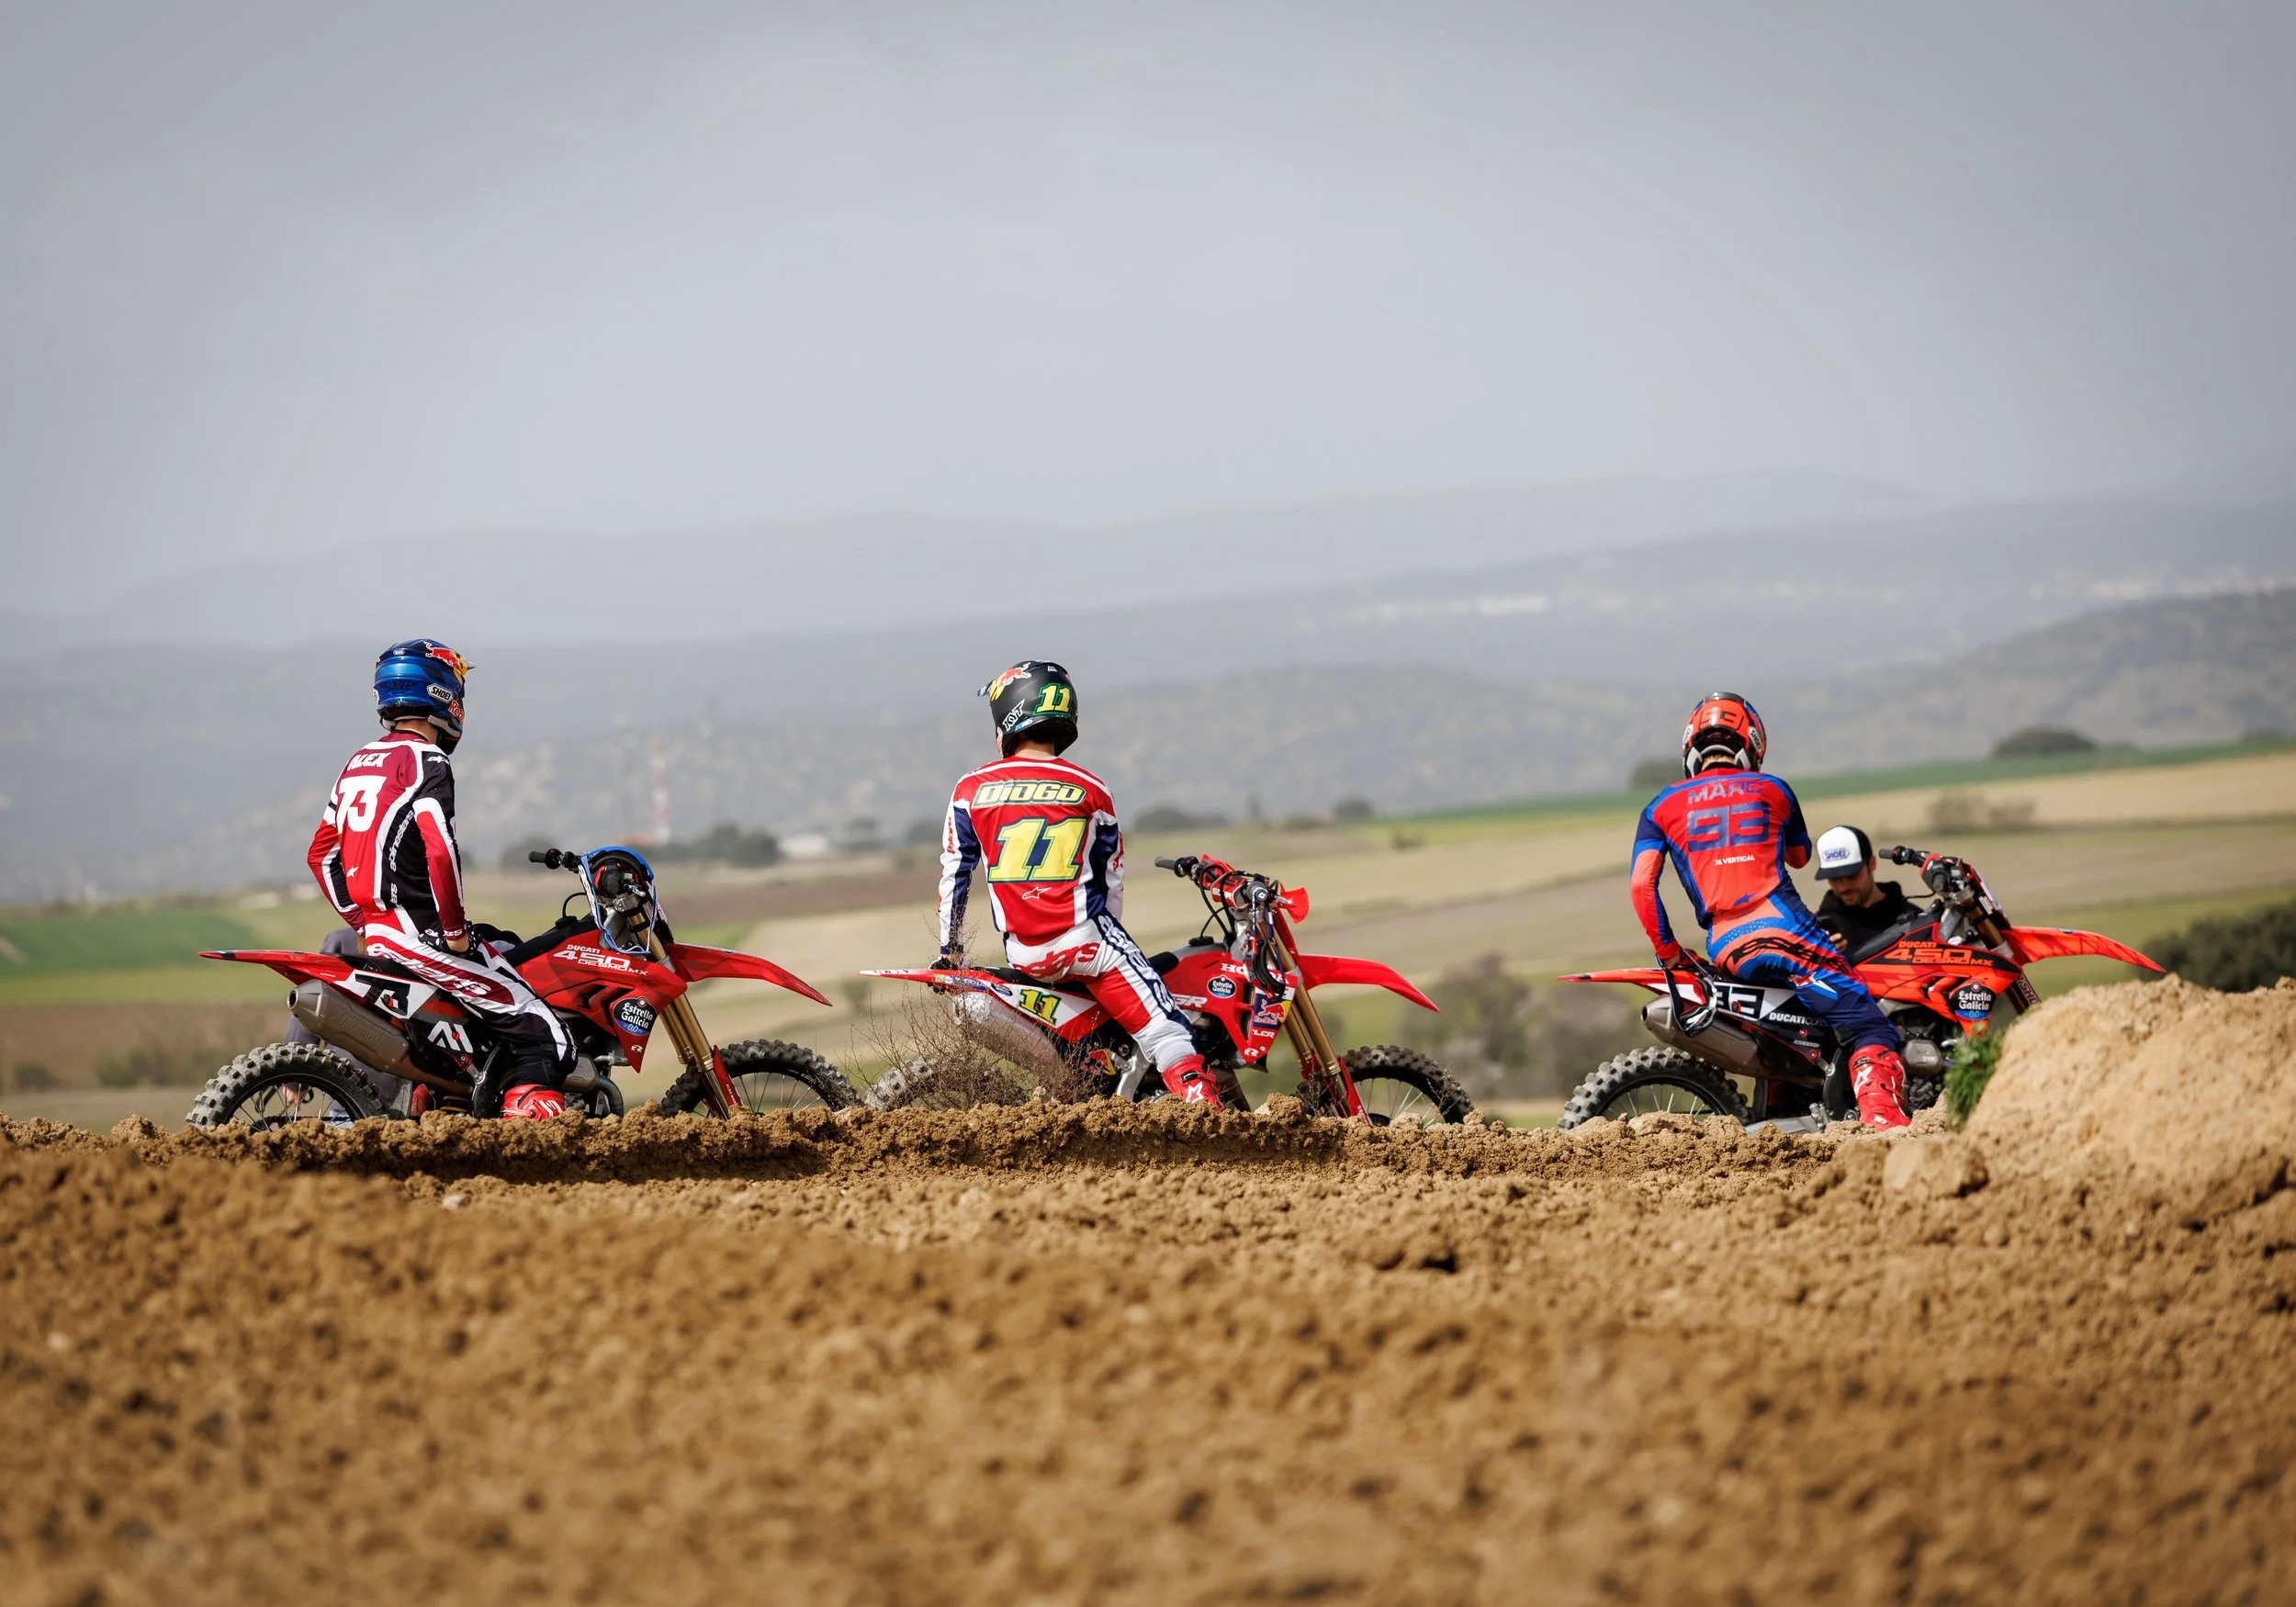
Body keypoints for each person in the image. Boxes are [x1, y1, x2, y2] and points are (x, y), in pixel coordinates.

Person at [306, 639, 573, 1119]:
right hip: (421, 936)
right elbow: (441, 854)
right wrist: (453, 934)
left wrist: (363, 922)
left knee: (502, 944)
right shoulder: (429, 762)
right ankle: (530, 1136)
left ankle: (447, 1099)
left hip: (384, 936)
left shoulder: (357, 764)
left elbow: (321, 856)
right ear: (441, 691)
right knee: (546, 1034)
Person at [935, 660, 1221, 1106]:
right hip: (1087, 944)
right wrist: (1107, 940)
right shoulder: (1090, 787)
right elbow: (1112, 879)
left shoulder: (970, 789)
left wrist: (948, 952)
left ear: (1010, 716)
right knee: (1169, 1035)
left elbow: (956, 871)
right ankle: (1216, 1127)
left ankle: (1093, 1076)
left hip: (1024, 952)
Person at [1627, 692, 1911, 1129]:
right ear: (1753, 744)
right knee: (1869, 1027)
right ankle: (1887, 1129)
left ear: (1689, 747)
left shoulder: (1659, 808)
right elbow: (1799, 857)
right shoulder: (1772, 789)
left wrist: (1667, 952)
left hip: (1726, 946)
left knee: (1793, 1021)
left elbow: (1641, 885)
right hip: (1787, 933)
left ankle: (1786, 1111)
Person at [1811, 825, 1919, 954]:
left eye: (1851, 875)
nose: (1843, 887)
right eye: (1834, 878)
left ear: (1872, 864)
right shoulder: (1817, 932)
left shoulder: (1915, 920)